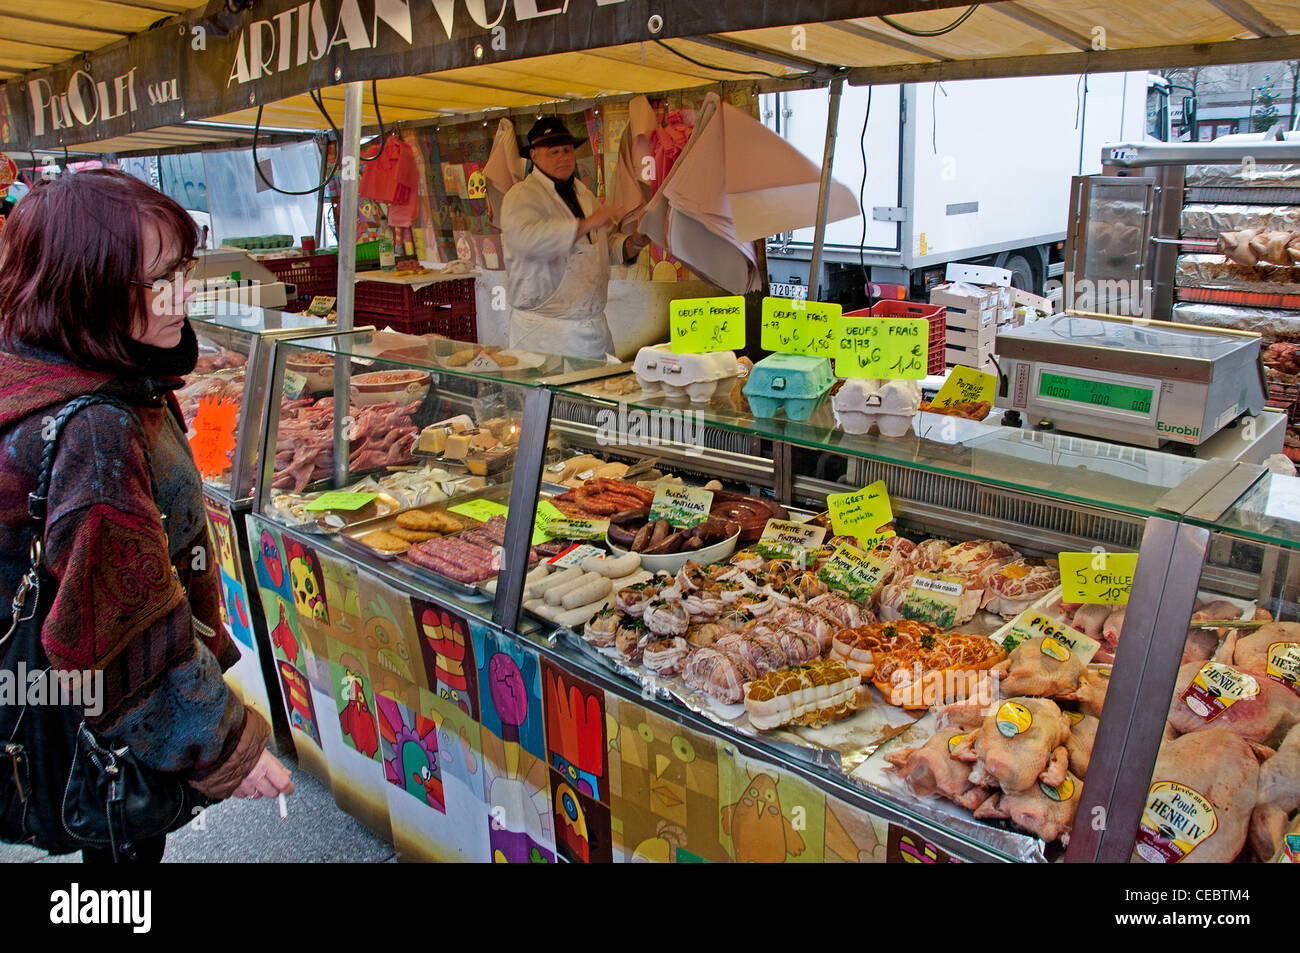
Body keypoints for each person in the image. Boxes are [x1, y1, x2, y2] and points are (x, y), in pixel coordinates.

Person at [0, 169, 293, 863]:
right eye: (161, 277)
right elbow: (121, 625)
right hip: (91, 724)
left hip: (62, 700)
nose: (185, 292)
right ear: (87, 286)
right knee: (120, 856)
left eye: (186, 267)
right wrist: (229, 744)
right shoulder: (93, 427)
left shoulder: (58, 367)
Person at [500, 117, 650, 360]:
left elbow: (600, 249)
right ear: (534, 156)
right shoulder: (521, 196)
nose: (564, 157)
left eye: (568, 150)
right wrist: (587, 224)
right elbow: (527, 241)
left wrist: (635, 242)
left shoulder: (584, 194)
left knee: (601, 393)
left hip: (593, 329)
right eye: (554, 151)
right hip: (543, 334)